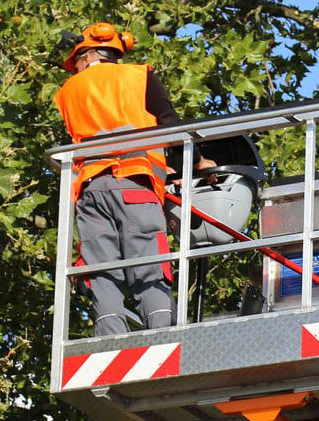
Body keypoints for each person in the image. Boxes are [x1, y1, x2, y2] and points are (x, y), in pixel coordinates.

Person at [53, 21, 214, 336]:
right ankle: (162, 334)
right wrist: (195, 163)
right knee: (147, 260)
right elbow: (170, 126)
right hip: (134, 184)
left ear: (85, 56)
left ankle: (109, 336)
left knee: (101, 267)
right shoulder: (138, 76)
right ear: (112, 53)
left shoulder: (68, 91)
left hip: (90, 190)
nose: (77, 68)